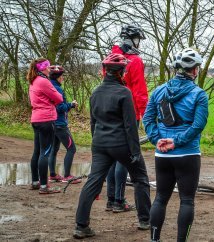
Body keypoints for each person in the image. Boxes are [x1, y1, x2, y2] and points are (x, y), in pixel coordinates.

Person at [74, 53, 151, 239]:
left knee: (93, 181)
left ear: (106, 71)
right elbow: (130, 125)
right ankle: (145, 220)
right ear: (121, 72)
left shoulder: (95, 92)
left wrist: (97, 143)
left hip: (100, 143)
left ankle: (81, 225)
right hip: (121, 144)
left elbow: (93, 123)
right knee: (140, 177)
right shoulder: (124, 92)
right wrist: (135, 151)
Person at [143, 48, 209, 242]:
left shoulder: (158, 91)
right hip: (187, 153)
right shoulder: (199, 94)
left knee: (160, 198)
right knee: (186, 200)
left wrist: (157, 140)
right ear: (194, 70)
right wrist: (177, 141)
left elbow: (148, 119)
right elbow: (198, 125)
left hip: (162, 154)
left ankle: (154, 239)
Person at [105, 24, 149, 213]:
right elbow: (139, 90)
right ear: (132, 39)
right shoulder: (135, 61)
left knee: (112, 156)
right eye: (138, 39)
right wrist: (145, 114)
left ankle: (110, 198)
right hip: (129, 110)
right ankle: (119, 200)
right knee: (125, 157)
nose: (139, 43)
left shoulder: (110, 58)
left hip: (109, 109)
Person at [27, 58, 63, 194]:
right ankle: (44, 186)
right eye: (48, 67)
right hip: (46, 119)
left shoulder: (34, 81)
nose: (50, 69)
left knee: (37, 151)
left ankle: (35, 182)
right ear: (42, 68)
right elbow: (59, 98)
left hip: (36, 119)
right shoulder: (43, 81)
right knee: (45, 152)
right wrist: (52, 100)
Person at [47, 65, 81, 184]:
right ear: (58, 77)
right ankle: (67, 176)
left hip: (51, 123)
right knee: (71, 149)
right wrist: (71, 105)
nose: (63, 78)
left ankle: (52, 175)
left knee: (54, 150)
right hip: (60, 124)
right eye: (62, 76)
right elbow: (59, 108)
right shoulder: (58, 89)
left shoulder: (48, 86)